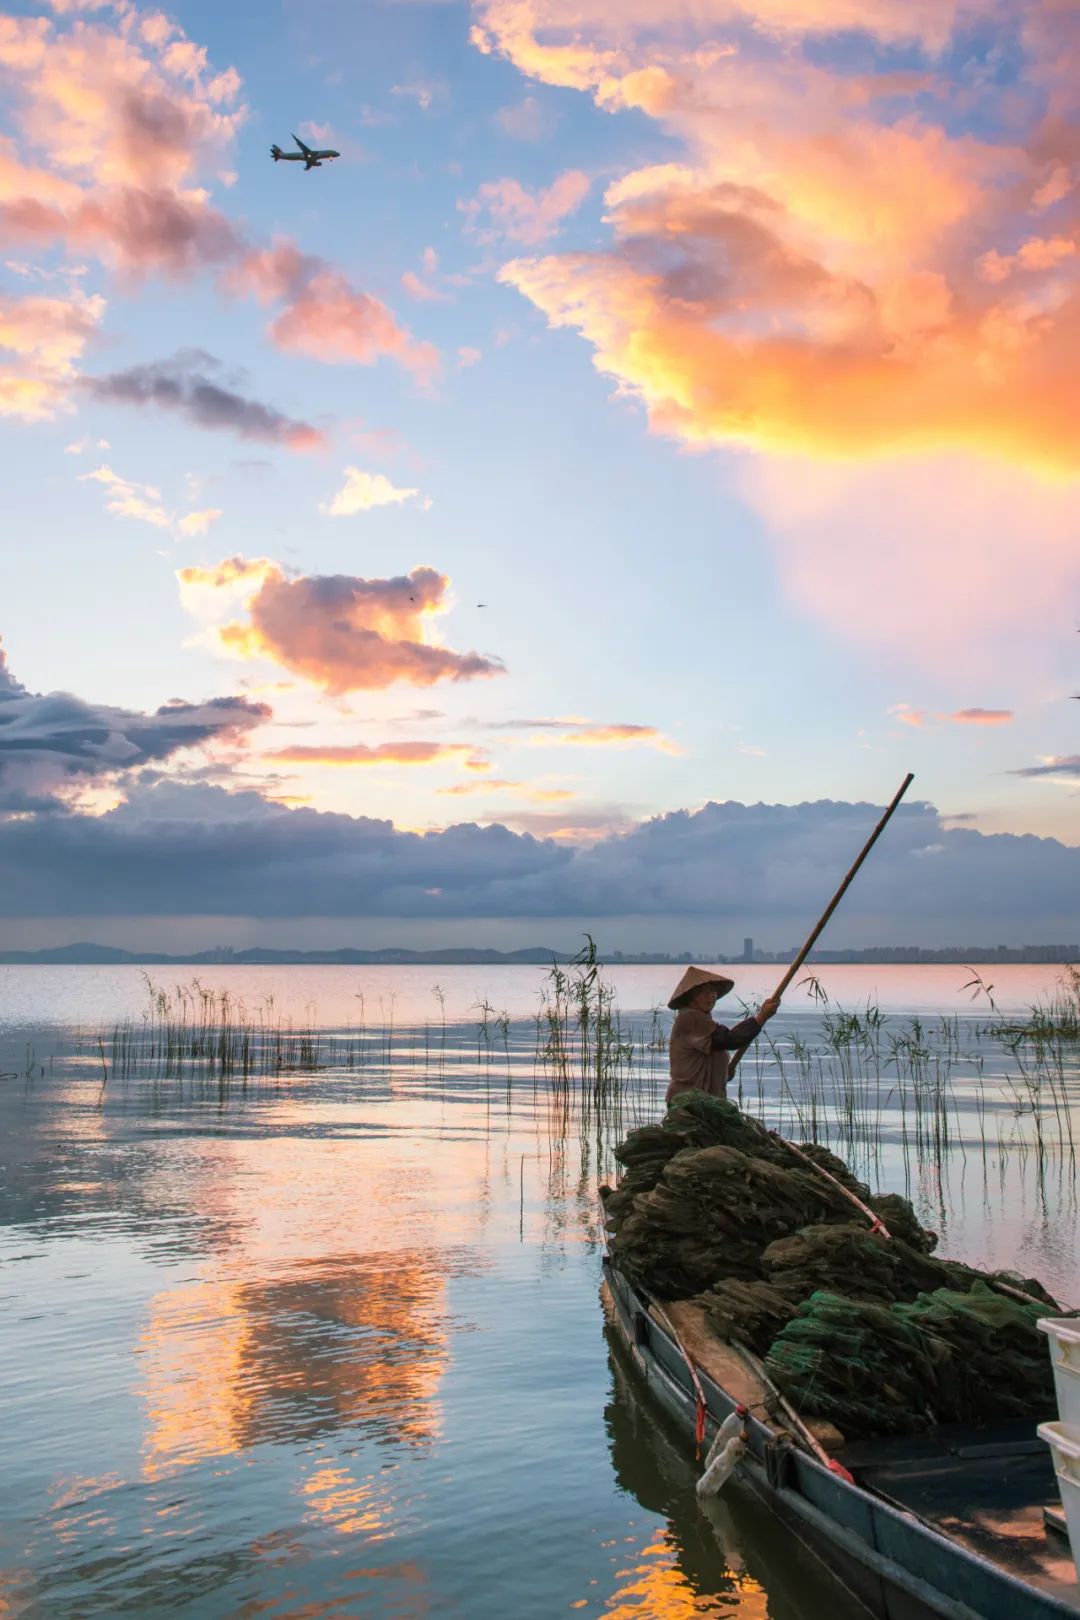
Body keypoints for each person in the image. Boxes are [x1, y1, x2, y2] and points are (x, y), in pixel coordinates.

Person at [666, 966, 780, 1106]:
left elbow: (713, 1050)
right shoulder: (689, 1017)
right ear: (691, 999)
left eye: (712, 991)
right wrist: (762, 1017)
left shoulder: (702, 1018)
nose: (711, 997)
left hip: (705, 1102)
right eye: (704, 993)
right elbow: (729, 1040)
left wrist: (724, 1072)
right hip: (687, 1102)